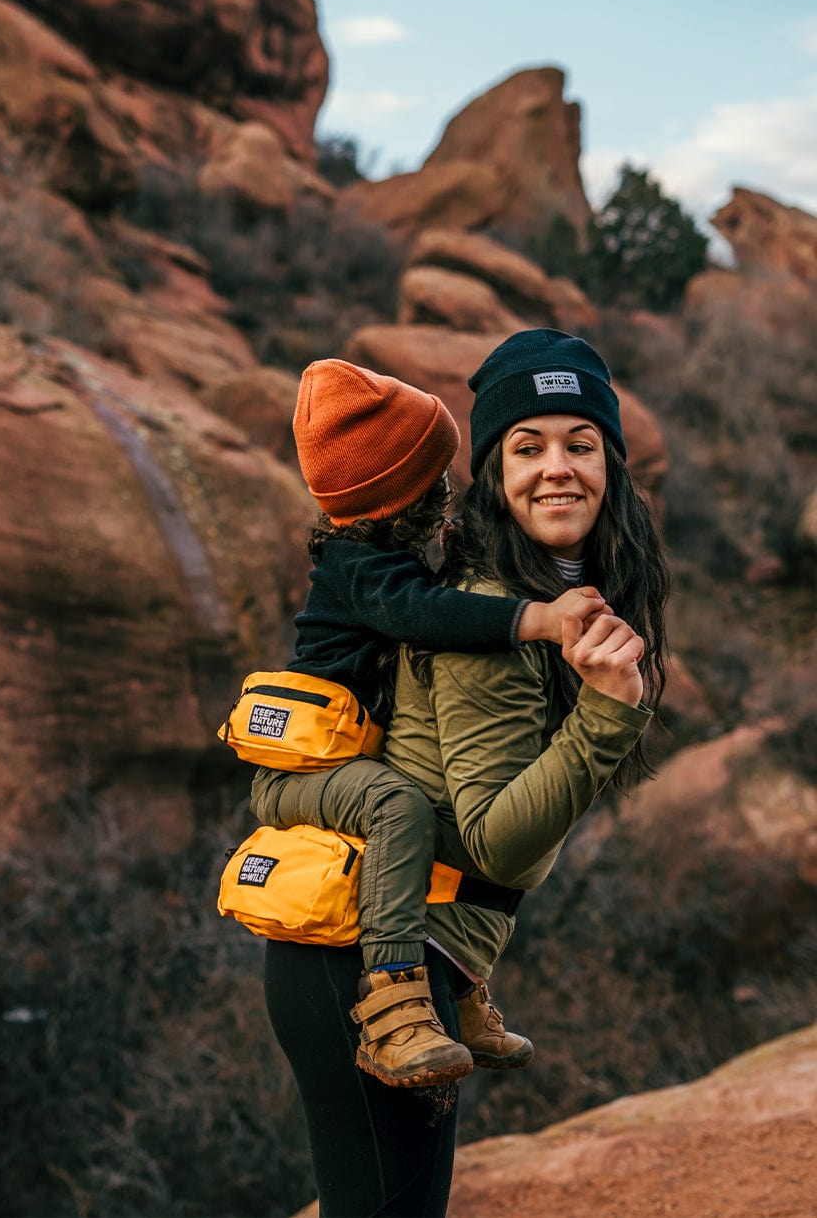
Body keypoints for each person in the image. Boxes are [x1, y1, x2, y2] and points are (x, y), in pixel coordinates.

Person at [261, 328, 670, 1218]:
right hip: (368, 974)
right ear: (490, 472)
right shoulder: (487, 613)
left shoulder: (525, 594)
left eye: (581, 443)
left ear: (613, 463)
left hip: (379, 960)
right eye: (527, 447)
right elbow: (493, 841)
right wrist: (606, 715)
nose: (557, 468)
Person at [249, 357, 604, 1088]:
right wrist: (536, 617)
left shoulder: (382, 557)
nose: (451, 490)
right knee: (401, 805)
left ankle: (464, 994)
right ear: (398, 495)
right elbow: (426, 616)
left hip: (338, 764)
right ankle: (394, 1006)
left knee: (438, 816)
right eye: (437, 478)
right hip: (297, 781)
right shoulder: (363, 570)